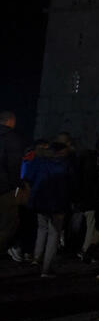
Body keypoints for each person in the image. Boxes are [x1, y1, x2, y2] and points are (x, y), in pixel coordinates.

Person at [22, 140, 74, 277]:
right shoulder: (66, 165)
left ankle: (36, 258)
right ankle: (47, 268)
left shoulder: (40, 161)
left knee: (42, 229)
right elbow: (71, 186)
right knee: (54, 234)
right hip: (58, 204)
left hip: (40, 202)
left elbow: (28, 179)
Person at [1, 110, 24, 258]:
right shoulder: (12, 139)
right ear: (11, 121)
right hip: (5, 188)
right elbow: (15, 166)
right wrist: (17, 185)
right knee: (9, 223)